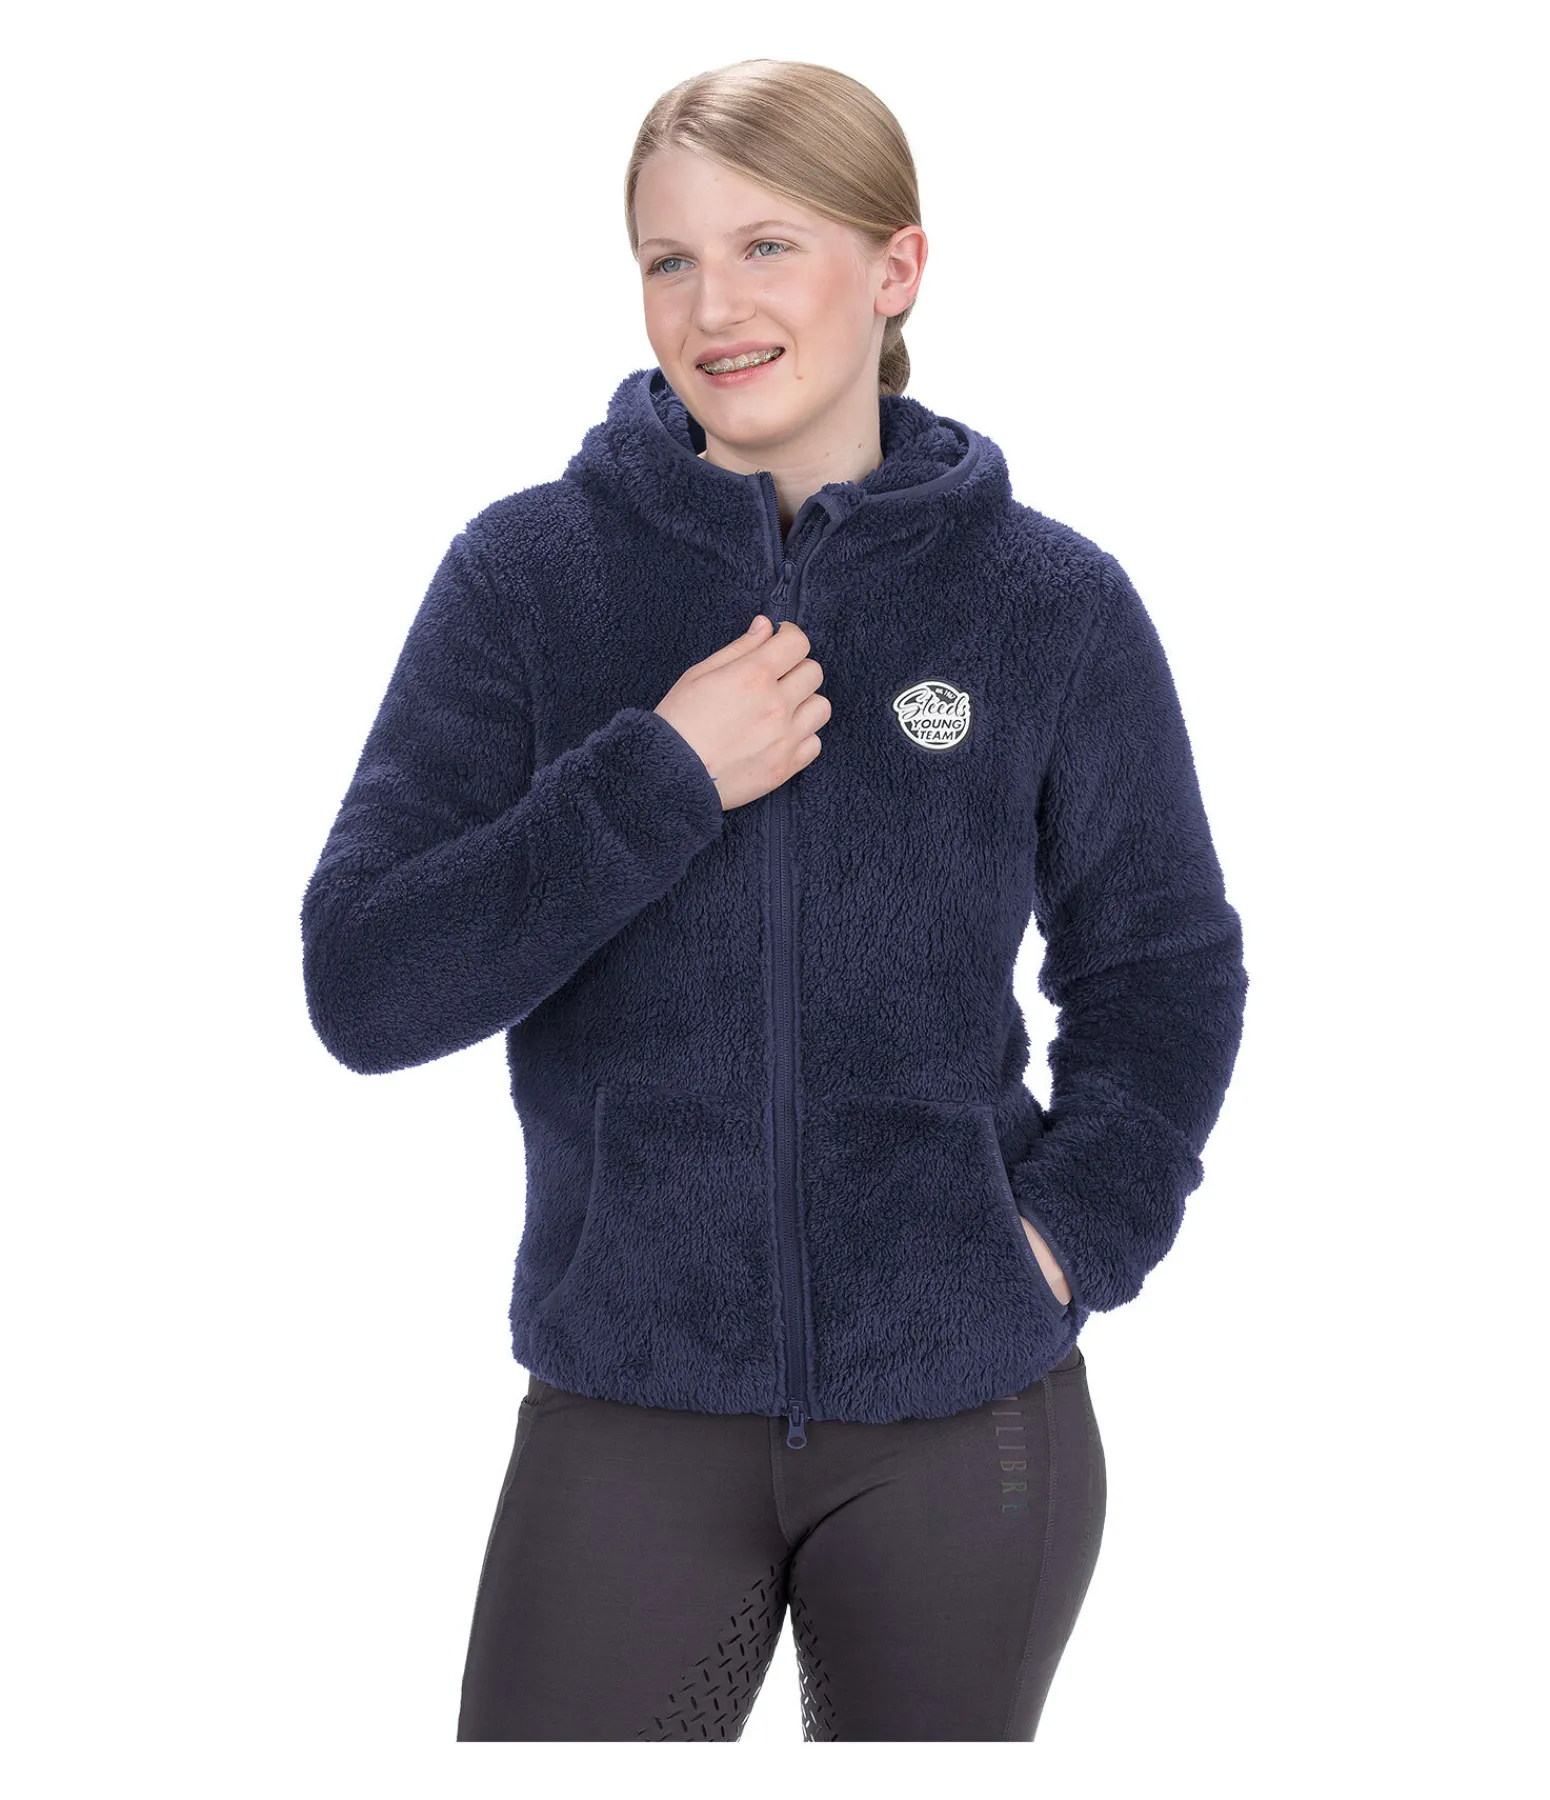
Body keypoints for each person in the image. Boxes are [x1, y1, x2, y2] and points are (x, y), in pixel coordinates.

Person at [300, 58, 1248, 1742]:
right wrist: (658, 773)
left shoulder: (1047, 603)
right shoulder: (527, 580)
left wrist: (1062, 1240)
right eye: (668, 260)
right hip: (629, 1403)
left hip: (966, 1415)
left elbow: (1162, 966)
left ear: (895, 269)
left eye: (766, 247)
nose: (713, 308)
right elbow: (367, 983)